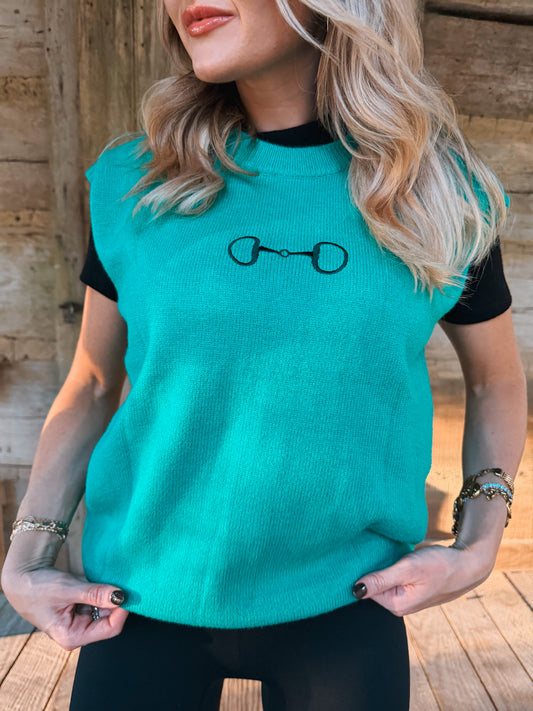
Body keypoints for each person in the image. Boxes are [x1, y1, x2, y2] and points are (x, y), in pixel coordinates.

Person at [1, 1, 527, 709]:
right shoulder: (136, 180)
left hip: (347, 603)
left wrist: (478, 544)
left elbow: (495, 382)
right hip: (133, 601)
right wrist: (29, 551)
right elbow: (94, 381)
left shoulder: (438, 192)